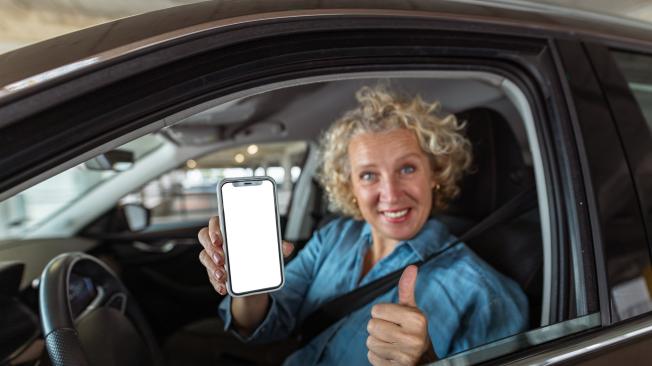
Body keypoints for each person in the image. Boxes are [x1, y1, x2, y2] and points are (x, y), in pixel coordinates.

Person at [197, 86, 528, 365]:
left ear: (436, 174)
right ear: (351, 188)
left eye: (408, 169)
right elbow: (263, 327)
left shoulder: (486, 295)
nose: (391, 194)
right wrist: (246, 281)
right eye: (369, 175)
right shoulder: (333, 238)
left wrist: (426, 358)